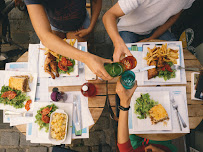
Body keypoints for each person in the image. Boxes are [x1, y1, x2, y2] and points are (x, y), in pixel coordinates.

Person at [24, 0, 113, 80]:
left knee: (81, 65)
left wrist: (90, 27)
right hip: (54, 26)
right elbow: (45, 36)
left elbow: (96, 2)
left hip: (80, 26)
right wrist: (87, 58)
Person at [103, 0, 195, 62]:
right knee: (125, 64)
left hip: (155, 28)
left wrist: (151, 38)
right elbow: (109, 15)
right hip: (128, 29)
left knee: (178, 60)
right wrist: (118, 43)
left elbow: (175, 16)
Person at [116, 80, 177, 152]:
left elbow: (124, 147)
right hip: (161, 145)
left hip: (136, 146)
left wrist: (124, 103)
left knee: (132, 124)